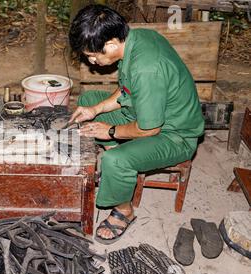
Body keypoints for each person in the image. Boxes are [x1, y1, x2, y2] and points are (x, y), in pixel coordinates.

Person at [68, 4, 205, 244]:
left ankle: (125, 210)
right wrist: (96, 110)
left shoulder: (147, 68)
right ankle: (121, 168)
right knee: (90, 100)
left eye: (92, 55)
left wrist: (110, 132)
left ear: (110, 44)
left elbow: (150, 128)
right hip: (147, 112)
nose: (91, 60)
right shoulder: (136, 37)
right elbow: (127, 91)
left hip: (174, 135)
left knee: (115, 161)